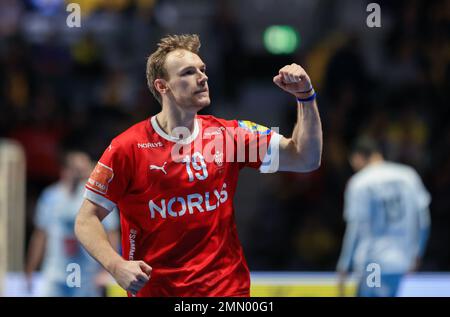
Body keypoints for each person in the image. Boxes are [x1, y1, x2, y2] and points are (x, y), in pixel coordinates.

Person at [75, 34, 323, 297]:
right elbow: (85, 219)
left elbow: (305, 158)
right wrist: (116, 265)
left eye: (203, 70)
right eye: (188, 72)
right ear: (163, 86)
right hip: (158, 292)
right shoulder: (128, 147)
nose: (202, 77)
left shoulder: (230, 136)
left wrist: (305, 97)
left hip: (228, 292)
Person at [336, 137, 431, 297]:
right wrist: (417, 253)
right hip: (401, 260)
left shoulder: (359, 182)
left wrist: (344, 264)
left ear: (358, 157)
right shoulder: (409, 175)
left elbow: (355, 227)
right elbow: (424, 222)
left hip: (373, 263)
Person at [25, 150, 119, 297]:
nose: (80, 174)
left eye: (83, 170)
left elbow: (111, 233)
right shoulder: (50, 196)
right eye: (76, 170)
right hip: (55, 273)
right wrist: (30, 269)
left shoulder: (97, 199)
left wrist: (108, 270)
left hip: (87, 275)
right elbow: (40, 235)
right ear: (66, 170)